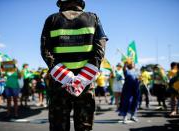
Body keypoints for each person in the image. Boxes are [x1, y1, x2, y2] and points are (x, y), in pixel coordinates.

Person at [41, 0, 107, 130]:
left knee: (58, 126)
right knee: (84, 126)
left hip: (59, 84)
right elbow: (100, 50)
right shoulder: (93, 18)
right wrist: (82, 78)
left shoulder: (52, 19)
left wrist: (66, 77)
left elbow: (45, 50)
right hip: (85, 84)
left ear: (61, 3)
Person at [118, 59, 140, 123]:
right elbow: (124, 69)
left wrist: (140, 80)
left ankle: (133, 116)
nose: (131, 64)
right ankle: (125, 116)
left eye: (132, 63)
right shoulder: (126, 71)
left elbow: (139, 78)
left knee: (135, 102)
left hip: (136, 88)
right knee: (127, 101)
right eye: (130, 63)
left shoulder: (137, 71)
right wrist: (125, 63)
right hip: (127, 89)